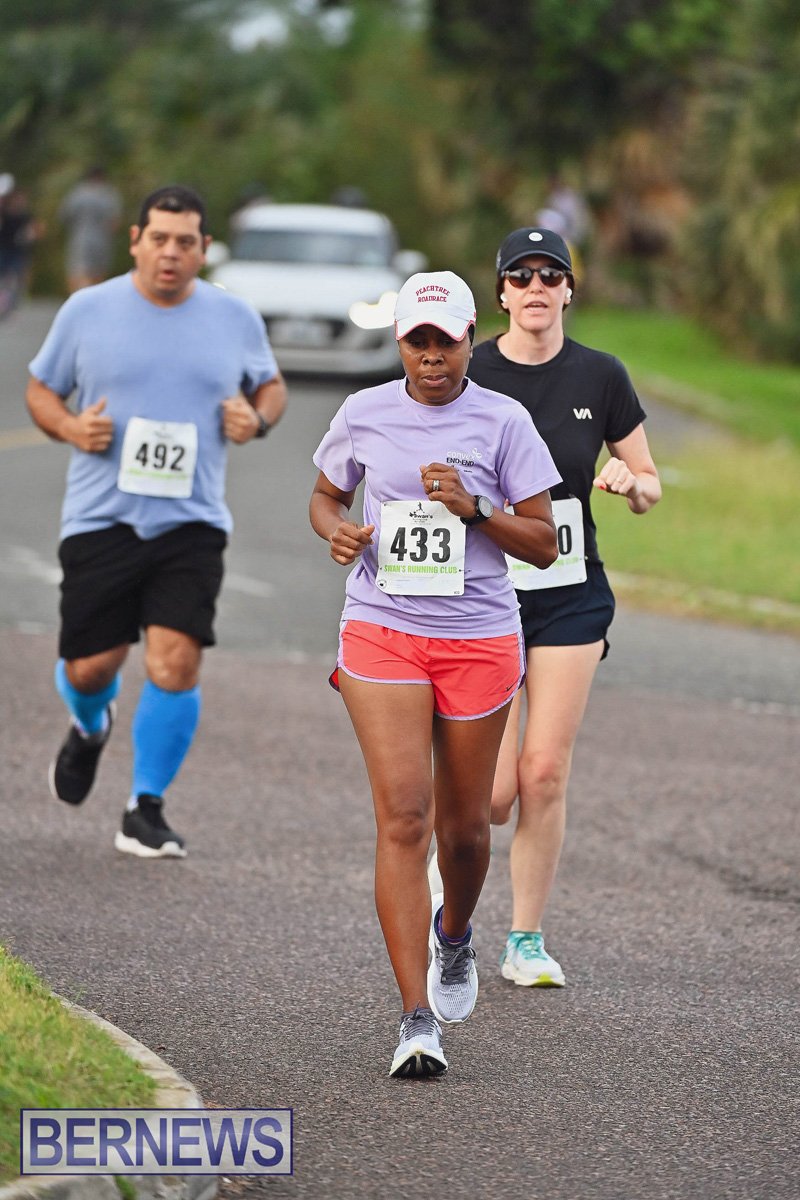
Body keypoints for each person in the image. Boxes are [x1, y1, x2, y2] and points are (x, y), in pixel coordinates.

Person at [309, 270, 561, 1077]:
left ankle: (455, 936)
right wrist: (338, 532)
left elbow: (545, 542)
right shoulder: (362, 412)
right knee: (404, 818)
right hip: (383, 628)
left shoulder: (504, 419)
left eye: (444, 341)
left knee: (465, 828)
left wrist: (475, 510)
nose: (430, 356)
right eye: (417, 341)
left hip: (479, 637)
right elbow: (323, 494)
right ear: (399, 343)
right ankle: (417, 1018)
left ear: (470, 339)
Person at [26, 184, 287, 858]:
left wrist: (255, 419)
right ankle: (90, 727)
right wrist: (68, 426)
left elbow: (271, 385)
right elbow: (40, 388)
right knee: (90, 667)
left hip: (191, 521)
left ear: (204, 250)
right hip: (101, 516)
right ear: (136, 240)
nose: (172, 253)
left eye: (187, 242)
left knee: (176, 662)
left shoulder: (233, 318)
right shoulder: (88, 310)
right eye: (160, 239)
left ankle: (145, 807)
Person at [463, 226, 661, 988]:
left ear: (570, 289)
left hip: (572, 596)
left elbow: (648, 479)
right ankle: (453, 881)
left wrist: (631, 484)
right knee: (494, 794)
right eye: (522, 276)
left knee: (543, 772)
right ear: (503, 292)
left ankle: (525, 940)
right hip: (485, 596)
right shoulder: (471, 373)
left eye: (552, 275)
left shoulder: (601, 376)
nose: (537, 288)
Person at [58, 167, 122, 293]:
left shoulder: (77, 193)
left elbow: (64, 216)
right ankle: (94, 301)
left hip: (80, 238)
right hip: (102, 241)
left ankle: (78, 299)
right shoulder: (109, 194)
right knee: (98, 273)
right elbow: (114, 223)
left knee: (78, 271)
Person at [0, 182, 42, 318]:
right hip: (4, 248)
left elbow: (35, 229)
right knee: (4, 277)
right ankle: (4, 303)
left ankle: (10, 305)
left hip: (18, 250)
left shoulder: (25, 215)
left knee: (16, 277)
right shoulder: (4, 212)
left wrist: (30, 234)